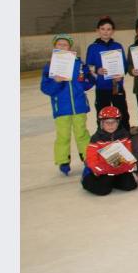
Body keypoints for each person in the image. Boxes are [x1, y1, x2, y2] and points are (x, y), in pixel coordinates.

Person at [41, 33, 95, 175]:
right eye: (59, 44)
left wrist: (84, 83)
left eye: (65, 45)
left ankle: (88, 158)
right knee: (63, 135)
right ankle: (63, 160)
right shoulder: (50, 66)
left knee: (82, 133)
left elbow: (89, 81)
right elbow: (46, 88)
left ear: (69, 47)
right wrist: (56, 82)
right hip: (61, 108)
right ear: (55, 47)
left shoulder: (79, 64)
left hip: (79, 106)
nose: (62, 47)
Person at [86, 16, 130, 130]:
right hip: (102, 88)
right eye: (103, 29)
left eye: (109, 29)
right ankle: (103, 138)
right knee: (102, 114)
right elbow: (88, 66)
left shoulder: (117, 46)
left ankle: (124, 136)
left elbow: (124, 65)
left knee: (122, 113)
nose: (106, 31)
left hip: (117, 87)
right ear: (97, 30)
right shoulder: (92, 47)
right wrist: (97, 70)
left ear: (113, 31)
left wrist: (121, 74)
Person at [82, 106, 138, 196]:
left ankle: (112, 181)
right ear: (101, 123)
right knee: (103, 190)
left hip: (119, 169)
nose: (110, 125)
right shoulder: (96, 139)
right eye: (107, 122)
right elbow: (91, 159)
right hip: (103, 170)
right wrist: (102, 169)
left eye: (113, 122)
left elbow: (129, 154)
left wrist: (127, 166)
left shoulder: (124, 135)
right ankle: (87, 179)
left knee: (130, 186)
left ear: (118, 122)